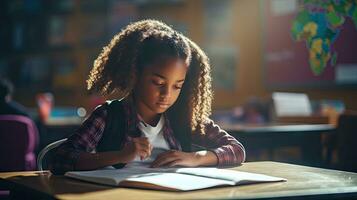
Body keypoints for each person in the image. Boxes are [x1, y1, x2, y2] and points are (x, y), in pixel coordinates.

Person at [50, 19, 245, 175]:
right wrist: (119, 156)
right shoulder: (109, 116)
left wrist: (196, 158)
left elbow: (236, 150)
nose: (166, 94)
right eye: (158, 83)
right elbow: (60, 159)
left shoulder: (184, 119)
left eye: (177, 86)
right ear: (135, 75)